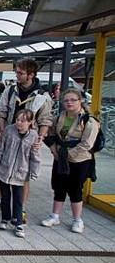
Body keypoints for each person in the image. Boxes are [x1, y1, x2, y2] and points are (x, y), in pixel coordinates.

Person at [0, 59, 53, 224]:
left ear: (31, 75)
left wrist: (40, 138)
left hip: (28, 140)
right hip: (9, 136)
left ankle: (21, 210)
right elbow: (2, 112)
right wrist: (1, 131)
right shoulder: (10, 91)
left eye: (20, 73)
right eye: (17, 72)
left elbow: (45, 120)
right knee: (1, 170)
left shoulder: (42, 96)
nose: (17, 76)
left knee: (23, 176)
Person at [41, 88, 99, 234]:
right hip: (60, 156)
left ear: (80, 101)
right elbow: (52, 133)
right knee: (59, 186)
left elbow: (87, 144)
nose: (69, 103)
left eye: (73, 100)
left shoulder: (89, 121)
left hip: (79, 160)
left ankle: (77, 219)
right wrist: (54, 150)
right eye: (66, 100)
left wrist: (67, 156)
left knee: (75, 189)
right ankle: (55, 216)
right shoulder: (60, 117)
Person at [0, 109, 41, 238]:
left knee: (18, 198)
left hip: (21, 172)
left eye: (23, 121)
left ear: (30, 122)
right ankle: (5, 218)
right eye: (17, 120)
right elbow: (0, 148)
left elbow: (35, 155)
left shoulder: (33, 135)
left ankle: (18, 222)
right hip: (4, 169)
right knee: (5, 196)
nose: (19, 123)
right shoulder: (9, 130)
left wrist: (34, 171)